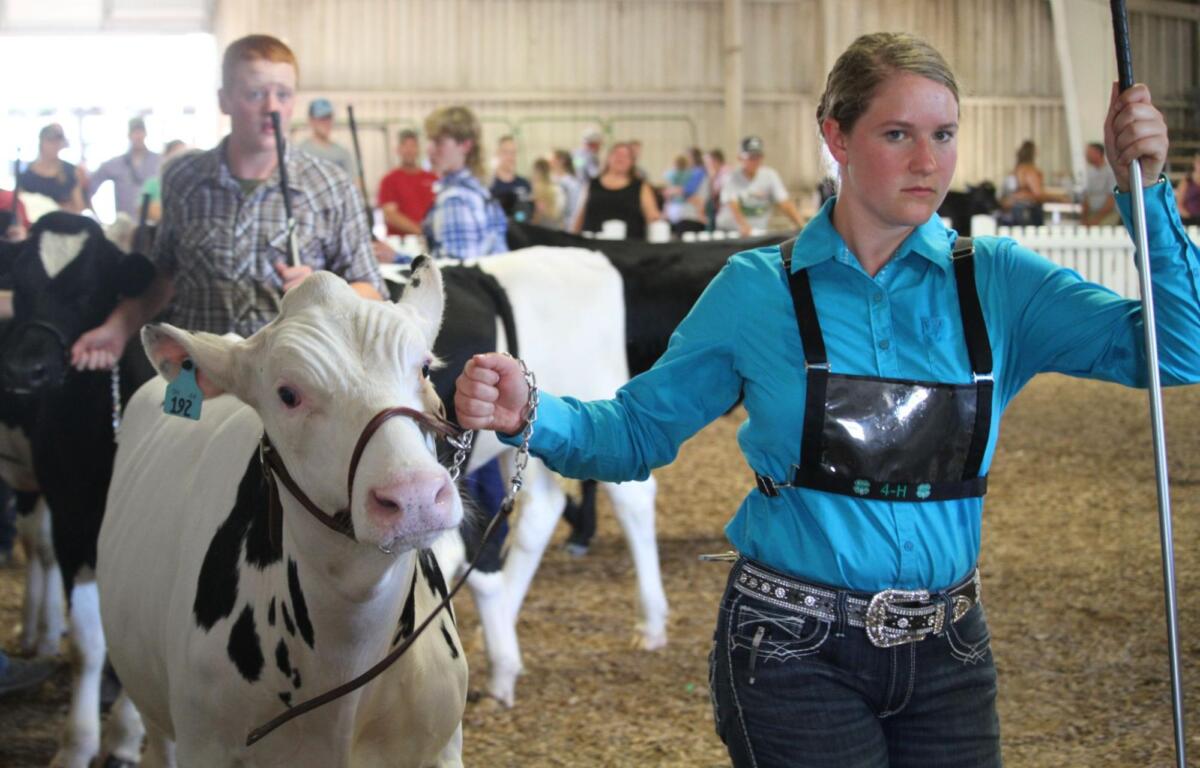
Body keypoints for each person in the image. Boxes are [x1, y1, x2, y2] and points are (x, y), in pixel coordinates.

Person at [454, 32, 1192, 768]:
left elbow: (1179, 347)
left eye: (943, 135)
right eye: (897, 134)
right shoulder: (756, 290)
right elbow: (637, 431)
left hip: (952, 653)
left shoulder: (1000, 281)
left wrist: (1146, 192)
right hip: (789, 650)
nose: (927, 161)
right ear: (836, 138)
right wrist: (531, 412)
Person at [70, 34, 384, 369]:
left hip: (292, 381)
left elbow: (373, 289)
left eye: (283, 94)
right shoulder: (183, 179)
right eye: (255, 93)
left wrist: (327, 296)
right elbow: (164, 278)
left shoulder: (330, 186)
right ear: (224, 100)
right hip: (198, 373)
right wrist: (118, 329)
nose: (272, 108)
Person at [422, 105, 507, 260]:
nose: (429, 149)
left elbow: (456, 267)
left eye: (439, 142)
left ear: (465, 145)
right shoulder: (477, 189)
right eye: (430, 141)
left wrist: (398, 259)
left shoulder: (455, 198)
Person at [715, 136, 804, 236]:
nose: (755, 161)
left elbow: (784, 203)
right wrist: (743, 225)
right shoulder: (731, 177)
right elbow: (733, 205)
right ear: (740, 158)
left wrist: (801, 225)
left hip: (756, 233)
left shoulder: (770, 176)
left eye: (758, 157)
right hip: (730, 232)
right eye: (750, 157)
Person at [570, 142, 661, 239]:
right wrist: (572, 238)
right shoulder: (592, 184)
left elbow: (653, 217)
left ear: (632, 162)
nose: (620, 158)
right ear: (608, 158)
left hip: (629, 244)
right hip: (593, 242)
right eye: (617, 154)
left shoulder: (642, 187)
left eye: (626, 156)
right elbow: (580, 215)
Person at [86, 117, 162, 219]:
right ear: (129, 135)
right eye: (134, 132)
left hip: (152, 223)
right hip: (124, 222)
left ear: (145, 134)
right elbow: (90, 184)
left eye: (140, 132)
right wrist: (96, 219)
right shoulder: (116, 163)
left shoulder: (159, 161)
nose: (138, 136)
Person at [378, 129, 438, 237]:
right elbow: (390, 214)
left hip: (430, 239)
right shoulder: (389, 180)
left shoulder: (433, 178)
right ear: (398, 149)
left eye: (413, 146)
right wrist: (421, 232)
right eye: (405, 146)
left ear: (418, 149)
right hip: (401, 242)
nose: (409, 150)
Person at [19, 123, 86, 214]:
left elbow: (79, 207)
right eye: (50, 141)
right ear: (41, 142)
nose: (54, 145)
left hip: (62, 220)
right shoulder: (27, 174)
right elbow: (20, 204)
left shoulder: (71, 171)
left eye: (57, 141)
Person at [297, 97, 356, 178]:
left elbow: (354, 182)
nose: (327, 123)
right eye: (322, 119)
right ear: (311, 120)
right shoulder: (300, 152)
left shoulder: (342, 152)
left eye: (329, 118)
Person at [998, 139, 1050, 225]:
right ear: (1033, 153)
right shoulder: (1030, 171)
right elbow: (1038, 194)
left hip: (1011, 213)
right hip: (1027, 213)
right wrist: (1058, 198)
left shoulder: (1015, 171)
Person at [141, 140, 191, 223]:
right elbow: (144, 210)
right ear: (166, 156)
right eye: (177, 153)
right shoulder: (152, 184)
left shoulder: (192, 186)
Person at [489, 135, 532, 219]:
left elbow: (527, 216)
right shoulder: (490, 186)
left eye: (513, 152)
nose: (510, 157)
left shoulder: (524, 184)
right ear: (497, 154)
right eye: (505, 152)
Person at [1080, 141, 1119, 225]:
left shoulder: (1111, 171)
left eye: (1089, 152)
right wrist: (1084, 218)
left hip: (1108, 214)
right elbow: (1086, 196)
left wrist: (1097, 219)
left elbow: (1112, 198)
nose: (1086, 155)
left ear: (1098, 153)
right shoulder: (1089, 172)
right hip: (1092, 213)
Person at [529, 157, 565, 229]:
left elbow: (540, 210)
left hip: (545, 225)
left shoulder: (539, 188)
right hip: (557, 225)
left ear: (537, 171)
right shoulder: (556, 187)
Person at [550, 149, 582, 227]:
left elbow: (574, 209)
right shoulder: (550, 179)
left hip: (566, 225)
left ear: (562, 161)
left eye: (553, 158)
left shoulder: (572, 183)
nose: (550, 161)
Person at [704, 148, 731, 230]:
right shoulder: (716, 173)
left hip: (725, 210)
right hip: (718, 209)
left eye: (708, 162)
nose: (706, 165)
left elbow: (721, 191)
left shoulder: (726, 172)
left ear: (715, 160)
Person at [1174, 152, 1200, 225]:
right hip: (1190, 220)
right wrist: (1191, 218)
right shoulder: (1187, 181)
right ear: (1195, 164)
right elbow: (1179, 204)